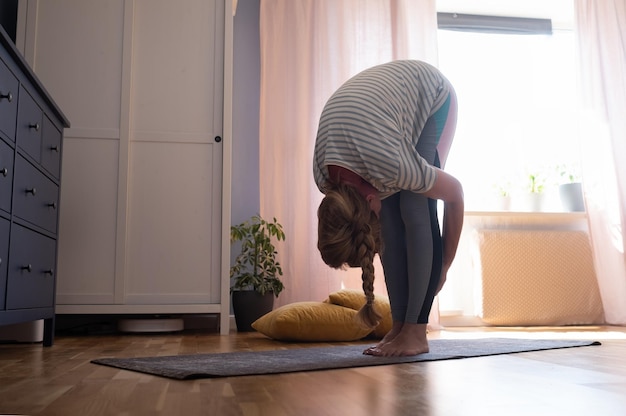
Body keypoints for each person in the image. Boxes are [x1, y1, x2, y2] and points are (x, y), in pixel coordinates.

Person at [313, 60, 464, 357]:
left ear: (368, 202)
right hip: (376, 123)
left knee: (414, 206)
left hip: (431, 95)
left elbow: (455, 194)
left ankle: (416, 333)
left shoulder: (390, 165)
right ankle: (400, 328)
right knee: (391, 219)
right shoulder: (325, 178)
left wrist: (444, 265)